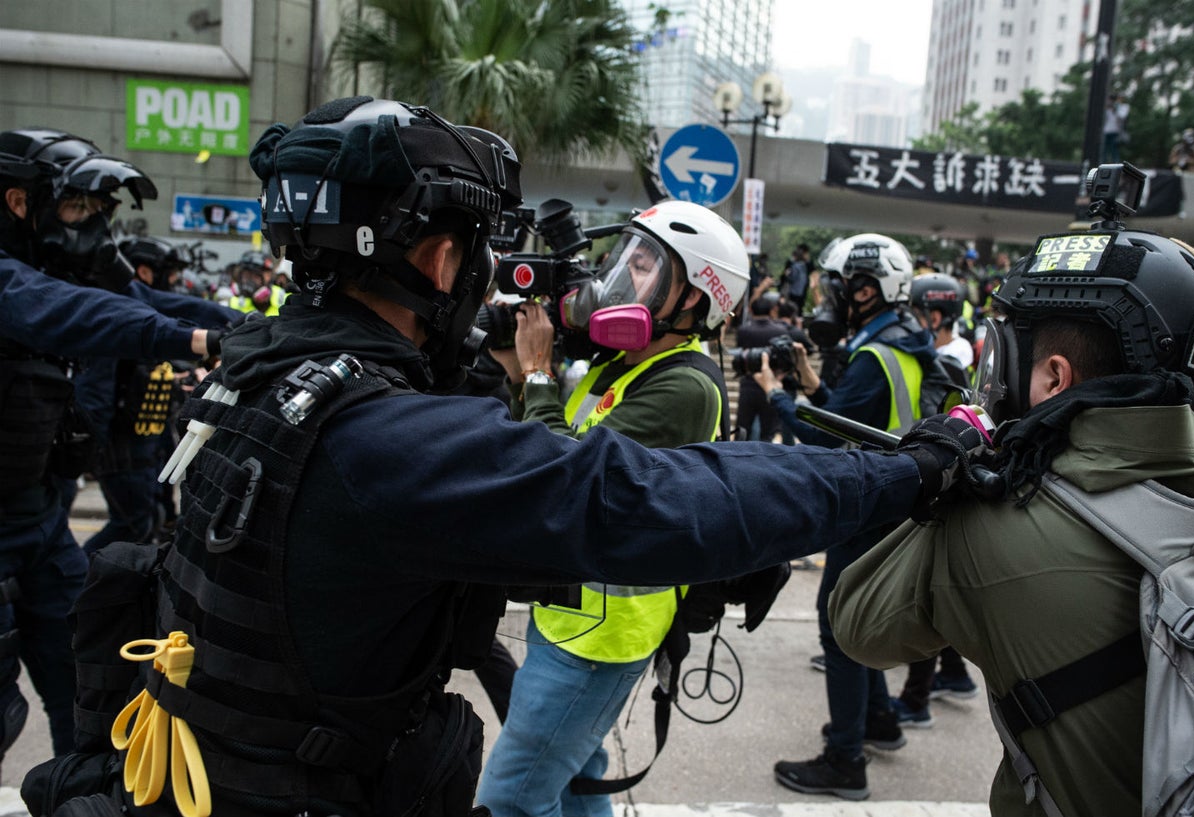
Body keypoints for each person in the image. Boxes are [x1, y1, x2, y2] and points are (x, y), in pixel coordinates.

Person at [21, 98, 989, 817]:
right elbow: (649, 497)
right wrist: (906, 470)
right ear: (442, 262)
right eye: (478, 248)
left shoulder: (258, 367)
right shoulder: (382, 439)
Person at [829, 222, 1194, 816]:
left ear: (1054, 377)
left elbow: (858, 623)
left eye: (1004, 352)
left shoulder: (994, 521)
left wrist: (958, 469)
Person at [480, 200, 749, 817]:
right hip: (570, 614)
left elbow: (559, 476)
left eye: (648, 265)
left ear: (693, 300)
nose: (624, 276)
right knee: (577, 778)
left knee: (510, 799)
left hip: (603, 637)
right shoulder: (621, 364)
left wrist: (539, 372)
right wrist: (525, 376)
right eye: (628, 257)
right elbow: (546, 445)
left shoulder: (682, 384)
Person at [0, 128, 219, 764]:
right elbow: (68, 312)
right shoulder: (22, 285)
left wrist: (266, 332)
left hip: (38, 520)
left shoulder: (56, 270)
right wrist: (200, 344)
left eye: (101, 212)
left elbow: (143, 301)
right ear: (19, 202)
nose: (92, 227)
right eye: (77, 209)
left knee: (92, 690)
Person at [757, 233, 937, 801]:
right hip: (896, 501)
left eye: (836, 286)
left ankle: (844, 760)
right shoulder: (901, 343)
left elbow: (822, 433)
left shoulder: (873, 355)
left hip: (866, 510)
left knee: (838, 628)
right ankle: (880, 722)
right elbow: (864, 417)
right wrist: (817, 387)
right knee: (863, 619)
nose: (830, 296)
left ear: (865, 289)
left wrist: (780, 396)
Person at [76, 239, 239, 554]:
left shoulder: (147, 319)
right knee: (132, 525)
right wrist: (93, 447)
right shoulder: (120, 320)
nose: (175, 283)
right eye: (170, 274)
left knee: (154, 520)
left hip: (151, 441)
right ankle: (87, 580)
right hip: (123, 446)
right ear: (145, 272)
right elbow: (97, 392)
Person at [736, 295, 792, 441]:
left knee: (743, 430)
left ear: (752, 311)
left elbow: (742, 354)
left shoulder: (744, 330)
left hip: (748, 382)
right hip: (770, 384)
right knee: (769, 432)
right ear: (771, 311)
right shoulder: (780, 331)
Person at [228, 250, 288, 315]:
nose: (249, 281)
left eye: (255, 276)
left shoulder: (286, 301)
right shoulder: (234, 303)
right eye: (246, 276)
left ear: (268, 276)